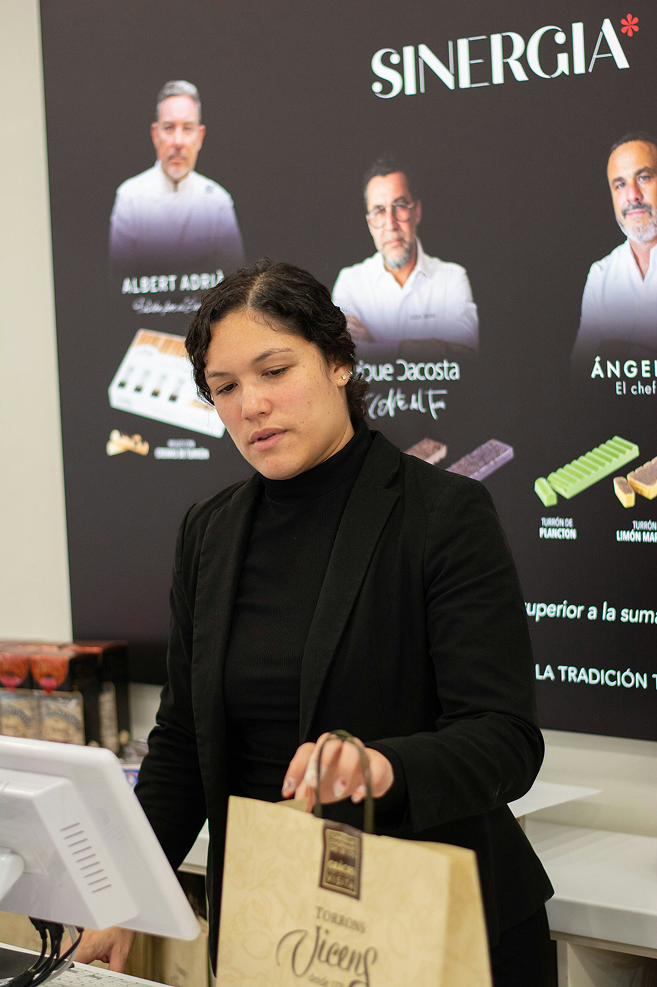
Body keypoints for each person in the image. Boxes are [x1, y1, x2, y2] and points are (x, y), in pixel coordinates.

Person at [76, 260, 552, 985]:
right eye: (225, 387)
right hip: (276, 923)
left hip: (431, 927)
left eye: (274, 371)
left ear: (337, 362)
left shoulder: (443, 514)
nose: (251, 405)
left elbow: (505, 740)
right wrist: (123, 895)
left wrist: (383, 768)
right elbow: (182, 746)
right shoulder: (208, 532)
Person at [332, 156, 478, 351]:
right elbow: (342, 357)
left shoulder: (451, 279)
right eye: (379, 211)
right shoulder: (350, 283)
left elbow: (464, 354)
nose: (390, 225)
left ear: (417, 212)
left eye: (399, 206)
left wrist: (374, 343)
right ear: (369, 224)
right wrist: (430, 347)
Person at [109, 80, 245, 276]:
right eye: (169, 128)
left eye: (187, 128)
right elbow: (120, 282)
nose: (178, 142)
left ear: (200, 137)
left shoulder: (218, 202)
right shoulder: (130, 199)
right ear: (155, 135)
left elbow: (236, 284)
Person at [572, 132, 657, 367]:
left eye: (643, 178)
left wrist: (622, 349)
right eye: (620, 185)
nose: (632, 196)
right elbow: (581, 371)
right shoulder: (601, 274)